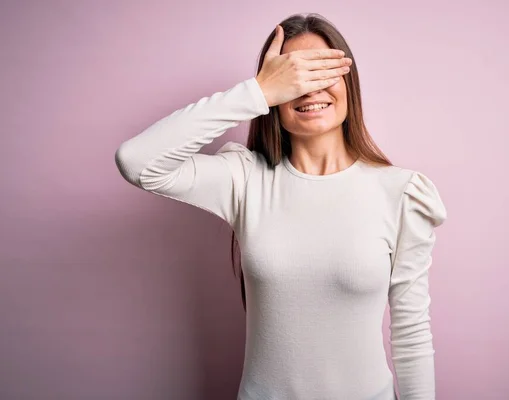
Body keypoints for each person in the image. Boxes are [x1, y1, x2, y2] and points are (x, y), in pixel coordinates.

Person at [115, 13, 447, 400]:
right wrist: (256, 93)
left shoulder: (402, 192)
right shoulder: (244, 177)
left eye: (321, 72)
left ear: (349, 83)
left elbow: (411, 333)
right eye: (293, 78)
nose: (309, 90)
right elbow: (137, 161)